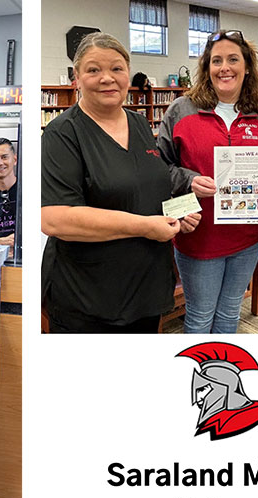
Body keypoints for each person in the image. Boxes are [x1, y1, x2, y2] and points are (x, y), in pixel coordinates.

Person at [42, 32, 200, 333]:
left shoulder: (139, 123)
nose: (107, 78)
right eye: (93, 70)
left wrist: (180, 211)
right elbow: (55, 219)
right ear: (76, 77)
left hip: (146, 288)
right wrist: (145, 226)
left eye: (117, 68)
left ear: (128, 74)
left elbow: (149, 185)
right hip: (90, 297)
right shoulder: (62, 134)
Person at [157, 29, 258, 334]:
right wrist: (188, 180)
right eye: (216, 60)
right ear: (206, 68)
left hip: (247, 238)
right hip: (198, 238)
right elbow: (159, 169)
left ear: (247, 67)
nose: (224, 67)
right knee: (200, 316)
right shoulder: (181, 110)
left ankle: (221, 373)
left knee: (230, 312)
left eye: (233, 59)